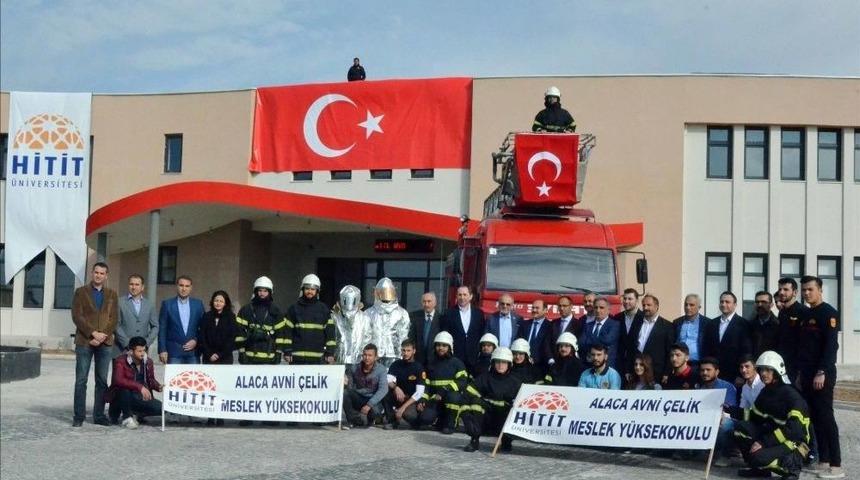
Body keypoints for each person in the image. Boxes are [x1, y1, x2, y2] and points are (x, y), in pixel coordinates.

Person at [733, 351, 811, 480]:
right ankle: (758, 469)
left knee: (758, 456)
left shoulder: (792, 396)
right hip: (776, 435)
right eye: (762, 369)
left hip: (796, 442)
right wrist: (731, 410)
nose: (763, 373)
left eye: (768, 370)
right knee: (740, 428)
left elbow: (794, 431)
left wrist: (763, 442)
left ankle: (791, 469)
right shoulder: (767, 391)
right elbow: (755, 416)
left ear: (777, 371)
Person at [796, 276, 843, 478]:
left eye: (810, 289)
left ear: (820, 290)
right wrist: (800, 374)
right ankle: (823, 460)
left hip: (821, 373)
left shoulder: (828, 313)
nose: (807, 293)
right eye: (804, 290)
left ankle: (836, 465)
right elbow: (804, 348)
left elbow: (831, 346)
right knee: (814, 419)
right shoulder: (806, 314)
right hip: (806, 374)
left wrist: (822, 371)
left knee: (826, 417)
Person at [71, 262, 119, 427]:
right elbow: (77, 316)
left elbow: (114, 319)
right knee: (81, 380)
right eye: (96, 272)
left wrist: (102, 335)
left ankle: (99, 415)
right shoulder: (81, 292)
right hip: (85, 341)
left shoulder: (112, 294)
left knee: (101, 380)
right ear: (92, 273)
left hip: (105, 343)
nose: (98, 275)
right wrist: (92, 333)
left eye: (102, 273)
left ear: (106, 276)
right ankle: (79, 416)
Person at [459, 347, 522, 453]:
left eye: (504, 362)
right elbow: (468, 393)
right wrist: (465, 414)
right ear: (493, 363)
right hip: (486, 418)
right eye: (498, 362)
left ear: (509, 364)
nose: (501, 365)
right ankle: (474, 440)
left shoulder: (515, 382)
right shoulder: (484, 378)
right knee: (476, 403)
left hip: (503, 420)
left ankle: (506, 442)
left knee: (512, 411)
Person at [417, 331, 469, 434]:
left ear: (450, 347)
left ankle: (451, 425)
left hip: (451, 398)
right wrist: (423, 398)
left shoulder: (457, 363)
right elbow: (427, 384)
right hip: (436, 399)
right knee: (424, 419)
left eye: (444, 345)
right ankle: (441, 421)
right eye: (438, 345)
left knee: (453, 397)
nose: (441, 348)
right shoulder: (431, 363)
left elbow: (462, 382)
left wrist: (445, 389)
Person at [106, 336, 162, 429]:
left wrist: (158, 386)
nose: (143, 353)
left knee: (159, 408)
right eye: (139, 351)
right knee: (124, 389)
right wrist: (140, 387)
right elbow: (118, 380)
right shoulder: (120, 361)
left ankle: (136, 413)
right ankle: (127, 418)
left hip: (140, 397)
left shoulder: (148, 362)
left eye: (144, 350)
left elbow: (151, 380)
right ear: (131, 351)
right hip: (122, 397)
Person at [285, 274, 336, 365]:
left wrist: (330, 352)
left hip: (317, 359)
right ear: (302, 290)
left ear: (317, 291)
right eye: (307, 289)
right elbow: (287, 332)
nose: (310, 291)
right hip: (297, 358)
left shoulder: (323, 309)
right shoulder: (294, 308)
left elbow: (330, 334)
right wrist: (287, 351)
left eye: (313, 289)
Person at [235, 276, 287, 365]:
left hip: (270, 359)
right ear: (255, 291)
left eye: (265, 291)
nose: (262, 293)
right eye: (260, 290)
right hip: (249, 357)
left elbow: (281, 334)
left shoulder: (276, 311)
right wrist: (241, 351)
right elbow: (239, 332)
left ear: (270, 292)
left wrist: (278, 353)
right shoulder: (246, 310)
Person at [696, 357, 738, 465]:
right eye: (702, 370)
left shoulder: (727, 387)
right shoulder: (699, 389)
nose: (704, 373)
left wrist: (720, 416)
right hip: (705, 420)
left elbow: (730, 411)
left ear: (717, 371)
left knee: (726, 424)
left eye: (708, 370)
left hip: (723, 420)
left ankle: (725, 455)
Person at [703, 291, 751, 384]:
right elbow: (706, 349)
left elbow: (746, 351)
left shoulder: (743, 324)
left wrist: (741, 375)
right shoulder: (711, 324)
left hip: (734, 375)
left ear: (735, 305)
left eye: (727, 302)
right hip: (713, 375)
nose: (723, 304)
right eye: (721, 302)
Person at [624, 294, 674, 382]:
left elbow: (669, 351)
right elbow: (630, 348)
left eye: (648, 305)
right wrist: (628, 369)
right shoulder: (636, 323)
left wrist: (667, 373)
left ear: (657, 306)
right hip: (636, 371)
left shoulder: (667, 326)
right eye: (643, 305)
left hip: (656, 372)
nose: (645, 308)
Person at [158, 275, 204, 364]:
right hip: (174, 352)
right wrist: (162, 349)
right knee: (174, 378)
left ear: (191, 288)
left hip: (193, 352)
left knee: (193, 378)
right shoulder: (167, 304)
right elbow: (162, 329)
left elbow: (203, 327)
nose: (184, 289)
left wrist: (196, 340)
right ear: (177, 286)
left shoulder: (198, 304)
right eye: (181, 285)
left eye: (187, 286)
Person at [366, 277, 411, 367]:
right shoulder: (368, 313)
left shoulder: (402, 313)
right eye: (382, 292)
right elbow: (366, 336)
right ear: (377, 293)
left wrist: (403, 355)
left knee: (393, 380)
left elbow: (404, 336)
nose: (386, 296)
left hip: (395, 355)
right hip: (374, 356)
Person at [343, 344, 389, 429]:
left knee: (375, 412)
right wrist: (345, 381)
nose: (367, 358)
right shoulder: (354, 368)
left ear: (376, 357)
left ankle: (374, 419)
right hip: (359, 397)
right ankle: (354, 420)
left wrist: (369, 405)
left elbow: (383, 389)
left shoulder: (381, 369)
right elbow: (349, 387)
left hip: (373, 400)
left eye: (370, 355)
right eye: (365, 355)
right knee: (345, 393)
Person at [440, 286, 485, 371]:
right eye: (460, 295)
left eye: (465, 294)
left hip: (474, 359)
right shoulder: (448, 313)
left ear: (471, 296)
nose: (462, 297)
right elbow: (445, 335)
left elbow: (481, 334)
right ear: (456, 296)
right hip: (455, 358)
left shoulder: (479, 314)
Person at [385, 339, 426, 429]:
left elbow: (419, 393)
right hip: (399, 396)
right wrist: (396, 388)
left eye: (408, 351)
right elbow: (388, 380)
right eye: (403, 350)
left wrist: (402, 408)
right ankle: (392, 421)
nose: (405, 353)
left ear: (414, 351)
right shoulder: (396, 364)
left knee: (410, 416)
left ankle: (415, 422)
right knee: (385, 391)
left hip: (411, 400)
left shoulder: (419, 368)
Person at [115, 274, 157, 355]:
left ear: (142, 287)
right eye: (131, 284)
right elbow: (116, 325)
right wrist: (128, 344)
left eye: (137, 284)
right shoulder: (119, 302)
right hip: (122, 349)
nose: (134, 287)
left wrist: (146, 343)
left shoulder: (149, 305)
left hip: (142, 350)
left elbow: (155, 326)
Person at [776, 277, 807, 383]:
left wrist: (800, 372)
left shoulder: (803, 312)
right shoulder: (782, 312)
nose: (781, 292)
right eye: (780, 289)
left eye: (785, 289)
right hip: (783, 365)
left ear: (795, 292)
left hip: (797, 367)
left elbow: (805, 344)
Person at [332, 284, 372, 367]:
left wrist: (365, 357)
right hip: (339, 359)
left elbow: (368, 338)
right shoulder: (335, 317)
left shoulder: (364, 318)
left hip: (359, 361)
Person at [579, 297, 620, 370]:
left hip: (608, 367)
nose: (598, 310)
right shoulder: (588, 325)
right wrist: (600, 340)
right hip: (589, 367)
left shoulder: (615, 325)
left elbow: (607, 341)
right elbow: (581, 344)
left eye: (601, 308)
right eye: (596, 307)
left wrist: (589, 341)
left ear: (608, 310)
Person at [674, 293, 710, 369]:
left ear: (699, 307)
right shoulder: (677, 322)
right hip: (679, 364)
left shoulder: (707, 323)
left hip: (698, 364)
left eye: (691, 305)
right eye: (686, 305)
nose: (688, 307)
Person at [516, 299, 554, 368]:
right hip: (523, 364)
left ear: (545, 310)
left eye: (537, 308)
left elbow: (549, 348)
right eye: (533, 308)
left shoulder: (551, 327)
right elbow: (518, 342)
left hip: (541, 367)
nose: (534, 310)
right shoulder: (524, 324)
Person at [408, 292, 442, 366]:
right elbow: (411, 338)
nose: (426, 304)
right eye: (424, 302)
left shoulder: (441, 318)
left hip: (435, 361)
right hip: (417, 360)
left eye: (429, 301)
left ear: (435, 303)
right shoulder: (414, 317)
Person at [614, 288, 643, 372]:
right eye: (625, 298)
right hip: (620, 362)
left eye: (630, 299)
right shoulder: (617, 317)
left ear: (637, 300)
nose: (626, 301)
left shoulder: (643, 318)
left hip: (637, 363)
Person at [750, 291, 780, 357]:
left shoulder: (778, 325)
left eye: (764, 302)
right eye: (757, 302)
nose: (760, 305)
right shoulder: (749, 325)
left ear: (771, 305)